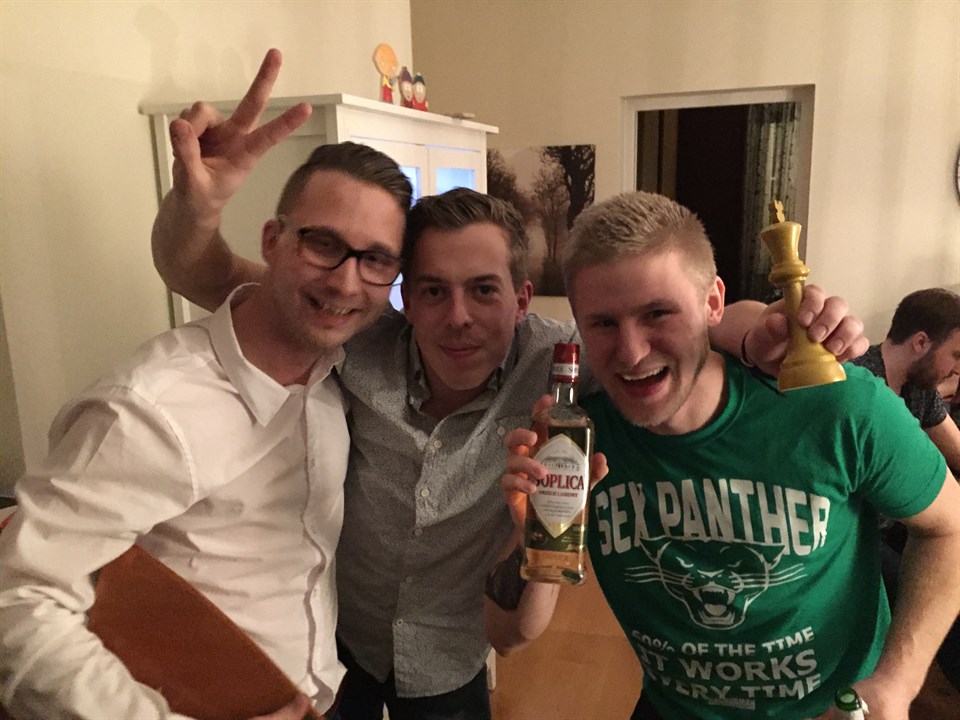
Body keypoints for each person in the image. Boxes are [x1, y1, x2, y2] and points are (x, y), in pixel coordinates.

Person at [153, 50, 870, 720]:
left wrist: (759, 324)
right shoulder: (357, 337)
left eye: (484, 290)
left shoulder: (564, 363)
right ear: (405, 297)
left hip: (449, 662)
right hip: (336, 644)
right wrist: (199, 207)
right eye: (433, 290)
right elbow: (198, 272)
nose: (458, 318)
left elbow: (677, 329)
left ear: (523, 299)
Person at [498, 192, 960, 720]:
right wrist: (534, 534)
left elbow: (949, 527)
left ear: (714, 303)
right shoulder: (578, 442)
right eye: (603, 323)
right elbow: (508, 636)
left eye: (658, 313)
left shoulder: (837, 404)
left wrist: (898, 683)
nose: (631, 352)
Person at [0, 134, 410, 718]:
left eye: (376, 260)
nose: (346, 283)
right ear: (271, 241)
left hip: (324, 693)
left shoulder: (339, 370)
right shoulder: (152, 407)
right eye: (323, 244)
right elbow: (17, 599)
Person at [850, 288, 960, 474]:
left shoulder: (920, 383)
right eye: (957, 356)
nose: (958, 370)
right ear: (921, 343)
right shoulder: (859, 387)